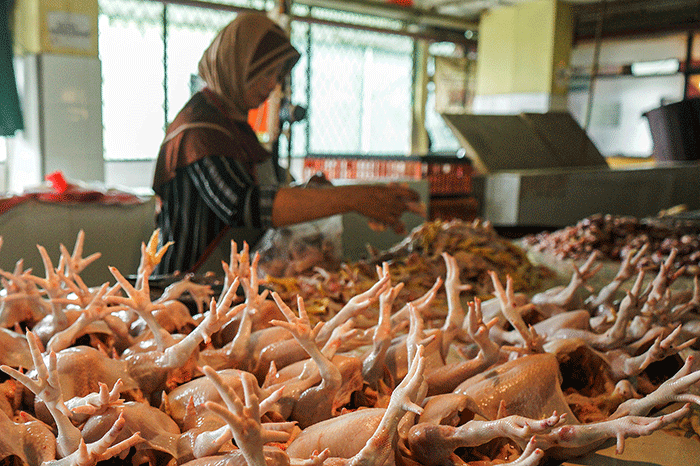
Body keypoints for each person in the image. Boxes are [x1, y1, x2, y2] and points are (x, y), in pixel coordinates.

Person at [152, 11, 421, 275]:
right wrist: (353, 198)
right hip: (182, 288)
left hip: (223, 288)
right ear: (236, 64)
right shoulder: (199, 130)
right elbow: (245, 206)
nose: (273, 85)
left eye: (278, 76)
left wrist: (313, 192)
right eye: (266, 72)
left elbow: (264, 194)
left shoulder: (234, 126)